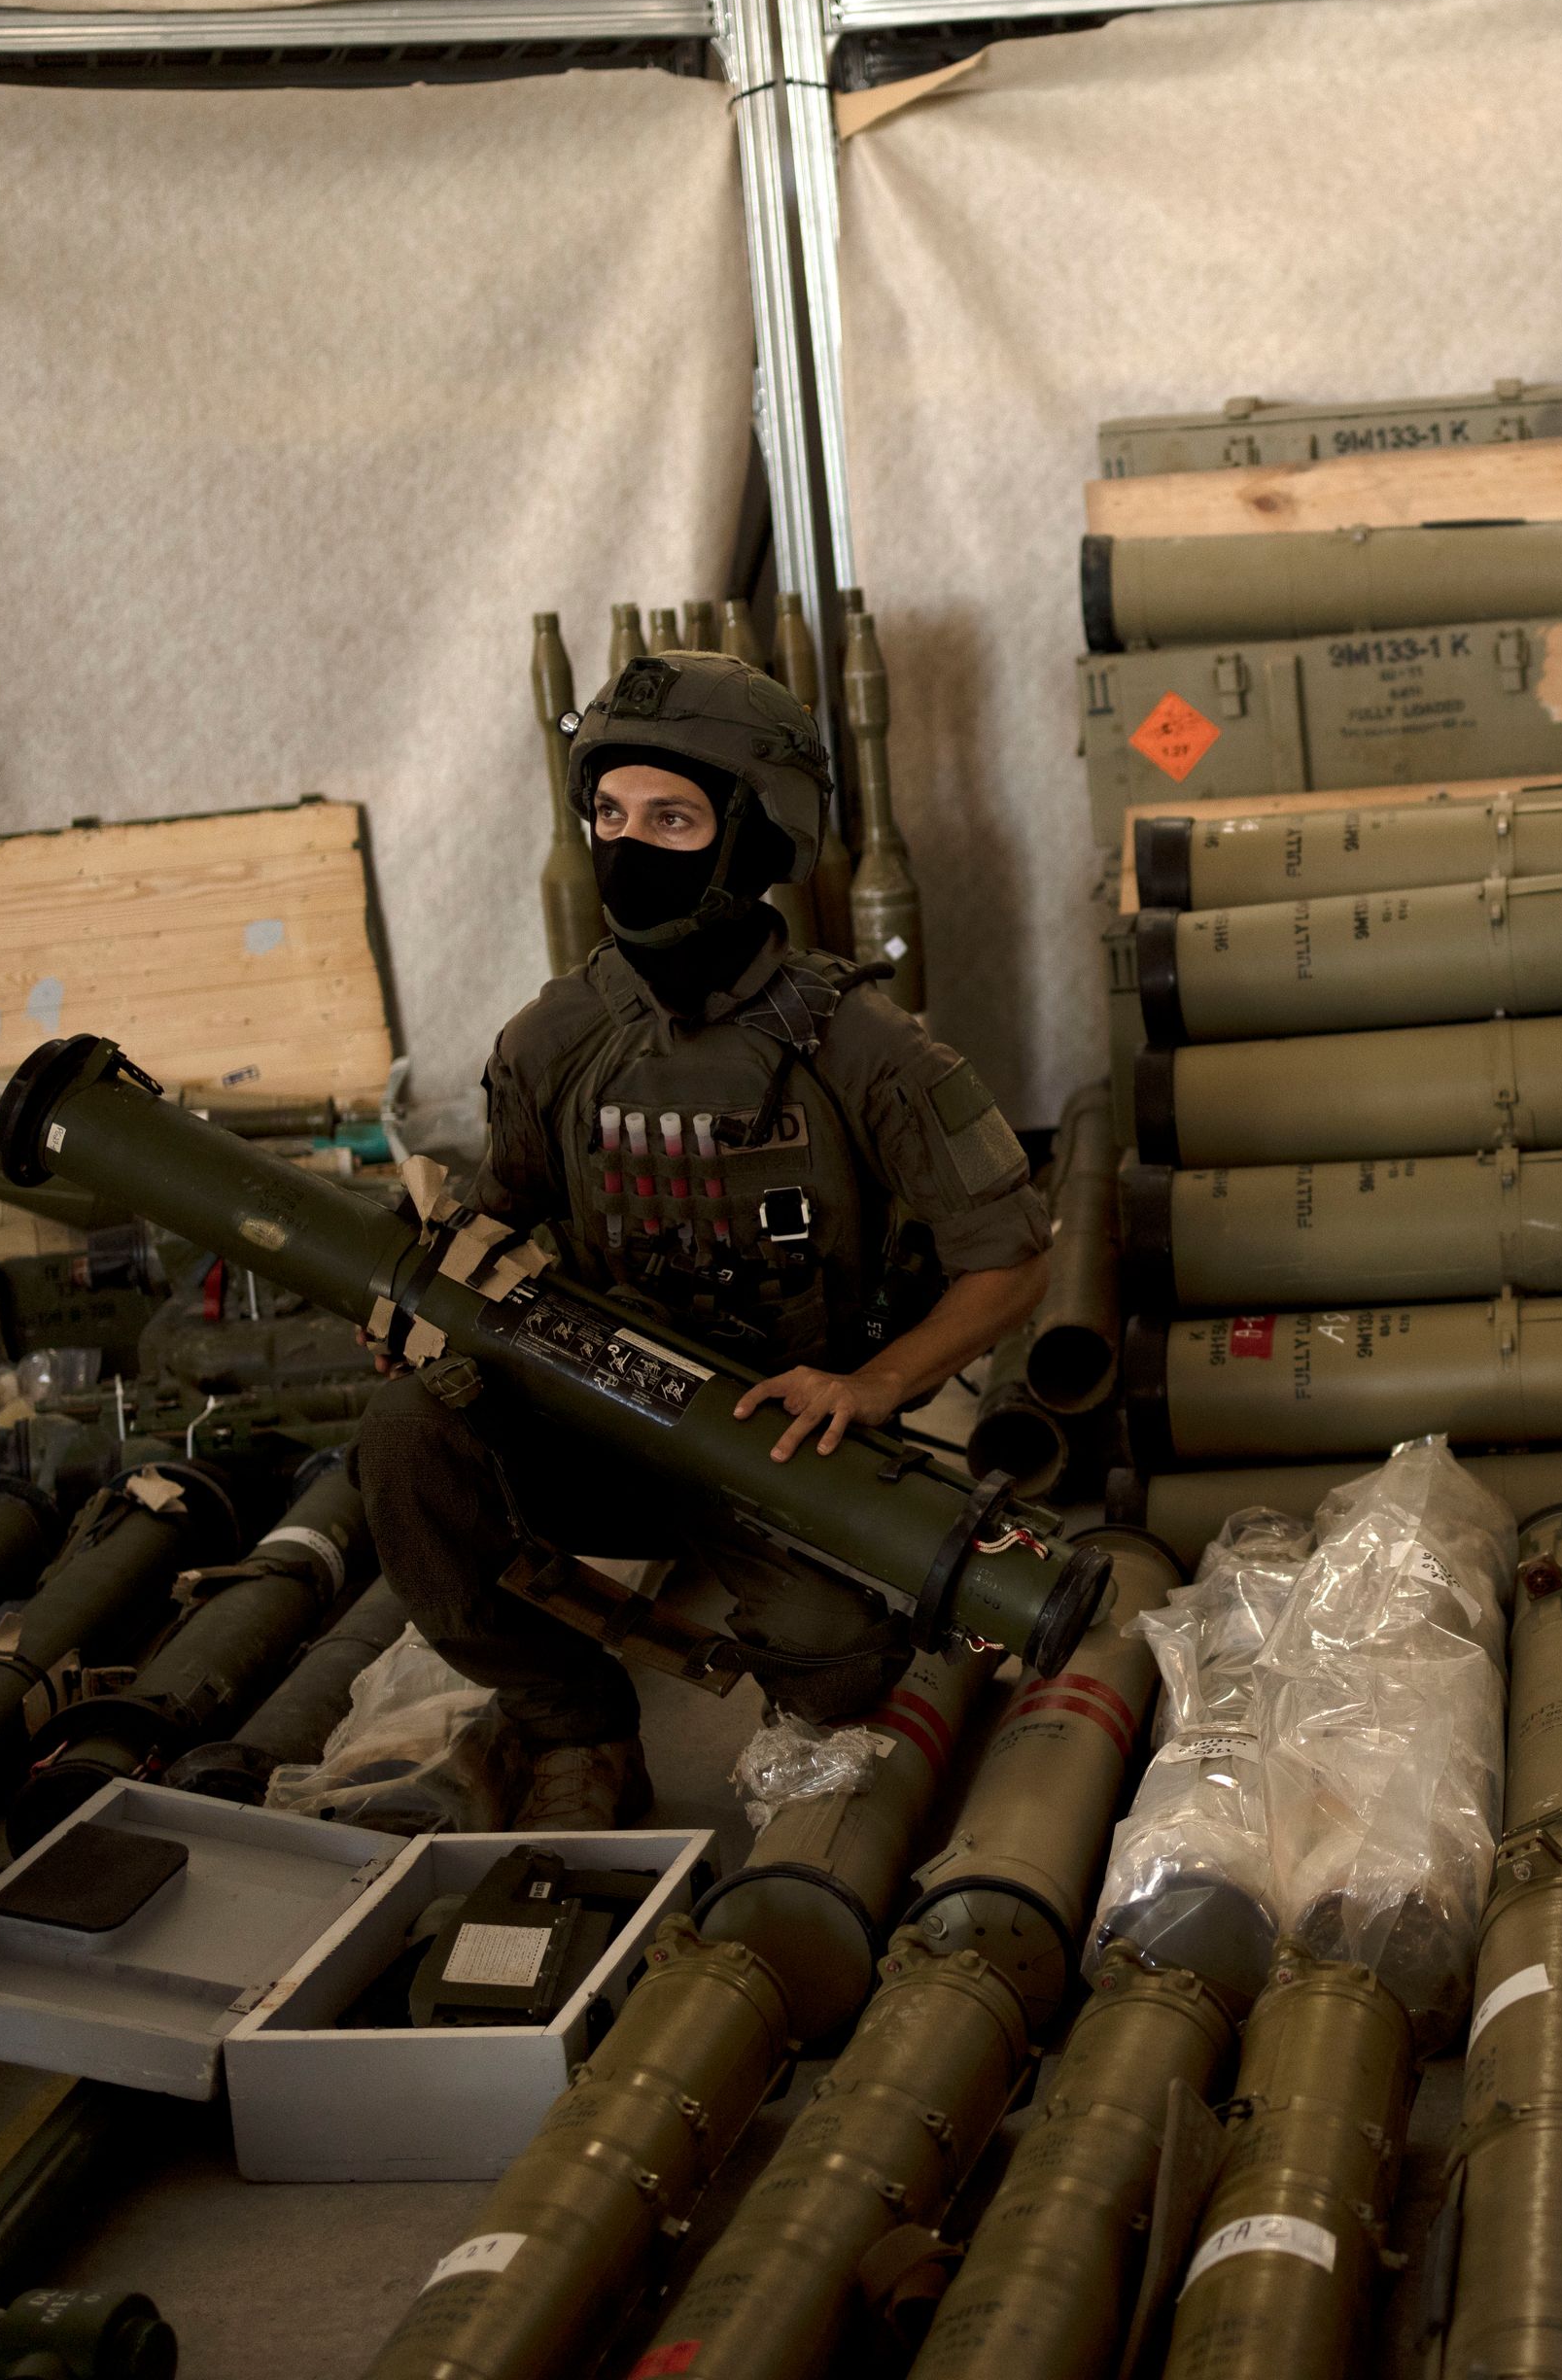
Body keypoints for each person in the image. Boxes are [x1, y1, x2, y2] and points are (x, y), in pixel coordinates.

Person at [351, 650, 1048, 1831]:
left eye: (671, 818)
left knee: (840, 1660)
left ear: (758, 836)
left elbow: (1013, 1253)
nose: (627, 846)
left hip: (774, 1437)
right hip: (587, 1411)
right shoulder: (553, 1038)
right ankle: (573, 1721)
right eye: (609, 814)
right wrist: (422, 1306)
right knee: (405, 1446)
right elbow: (496, 1218)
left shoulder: (867, 1049)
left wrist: (876, 1385)